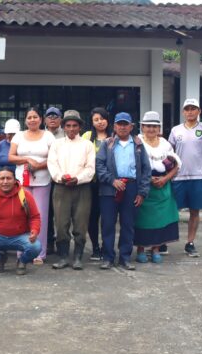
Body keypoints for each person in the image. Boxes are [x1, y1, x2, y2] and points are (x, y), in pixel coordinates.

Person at [95, 112, 151, 270]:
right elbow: (99, 165)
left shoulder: (138, 145)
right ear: (114, 126)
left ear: (131, 126)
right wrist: (112, 180)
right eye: (119, 124)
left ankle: (125, 257)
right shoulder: (107, 144)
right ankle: (108, 257)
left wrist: (142, 192)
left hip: (132, 188)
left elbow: (146, 170)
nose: (122, 127)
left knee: (128, 224)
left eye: (125, 124)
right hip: (109, 188)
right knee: (107, 224)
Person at [46, 110, 95, 270]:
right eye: (68, 126)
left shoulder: (87, 145)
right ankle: (63, 257)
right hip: (61, 187)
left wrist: (78, 179)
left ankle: (78, 257)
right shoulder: (57, 144)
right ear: (64, 127)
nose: (72, 129)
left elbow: (90, 168)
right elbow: (52, 164)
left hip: (82, 188)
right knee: (61, 224)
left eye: (75, 125)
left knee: (80, 224)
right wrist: (61, 177)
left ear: (80, 127)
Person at [8, 107, 55, 264]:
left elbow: (54, 157)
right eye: (29, 117)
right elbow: (11, 157)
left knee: (40, 216)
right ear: (25, 120)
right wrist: (28, 160)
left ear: (41, 119)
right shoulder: (19, 136)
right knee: (22, 215)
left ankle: (39, 253)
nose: (32, 120)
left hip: (43, 181)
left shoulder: (48, 136)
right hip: (22, 181)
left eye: (35, 117)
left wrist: (38, 166)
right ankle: (22, 251)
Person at [168, 98, 202, 257]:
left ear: (199, 111)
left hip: (199, 176)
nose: (190, 112)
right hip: (178, 176)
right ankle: (163, 242)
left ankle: (190, 243)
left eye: (193, 108)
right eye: (187, 109)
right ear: (183, 112)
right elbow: (169, 153)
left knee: (195, 212)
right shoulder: (175, 130)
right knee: (171, 210)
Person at [135, 111, 181, 264]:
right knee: (142, 219)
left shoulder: (165, 144)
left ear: (159, 128)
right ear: (142, 127)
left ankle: (155, 249)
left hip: (162, 186)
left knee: (160, 219)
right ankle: (140, 249)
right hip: (143, 186)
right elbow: (132, 165)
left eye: (154, 126)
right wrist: (147, 179)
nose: (151, 129)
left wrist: (165, 179)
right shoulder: (136, 142)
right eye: (148, 126)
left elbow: (176, 164)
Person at [82, 107, 112, 261]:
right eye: (96, 120)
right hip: (91, 183)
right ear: (92, 122)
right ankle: (95, 247)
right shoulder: (87, 136)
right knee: (92, 216)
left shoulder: (114, 136)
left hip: (108, 182)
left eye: (102, 118)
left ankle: (107, 247)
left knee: (107, 217)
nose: (100, 122)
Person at [44, 106, 63, 255]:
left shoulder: (66, 134)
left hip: (61, 179)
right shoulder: (41, 134)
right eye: (49, 116)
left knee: (61, 213)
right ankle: (49, 241)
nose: (52, 119)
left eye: (55, 116)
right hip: (44, 178)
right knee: (47, 212)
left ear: (60, 119)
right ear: (45, 119)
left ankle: (62, 242)